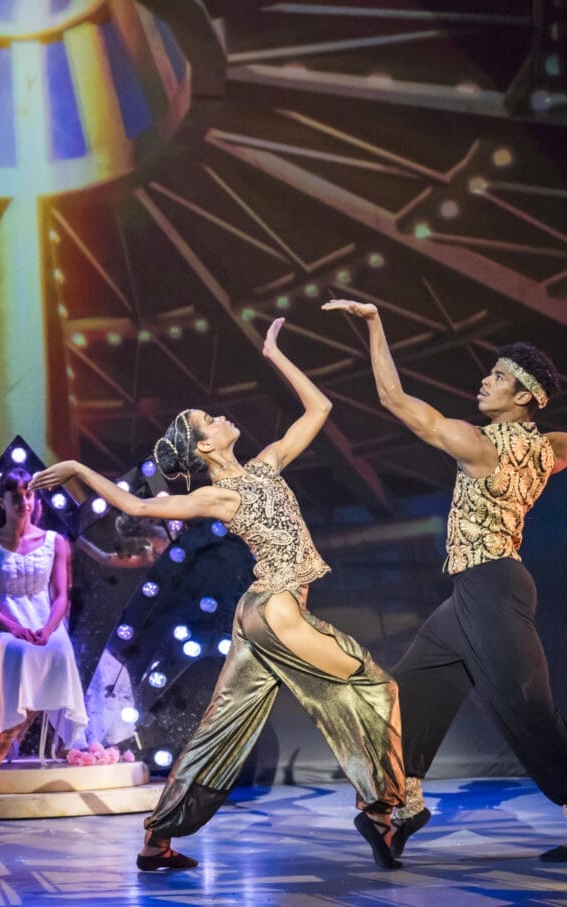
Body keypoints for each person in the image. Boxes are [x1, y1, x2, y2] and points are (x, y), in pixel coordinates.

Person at [325, 298, 567, 862]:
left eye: (497, 377)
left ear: (523, 397)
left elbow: (393, 399)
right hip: (476, 593)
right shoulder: (551, 449)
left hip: (492, 589)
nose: (484, 380)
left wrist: (376, 322)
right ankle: (401, 812)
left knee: (528, 708)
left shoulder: (477, 447)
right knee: (406, 694)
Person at [31, 318, 405, 872]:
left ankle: (156, 841)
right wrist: (83, 468)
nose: (221, 415)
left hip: (258, 617)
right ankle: (384, 811)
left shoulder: (266, 464)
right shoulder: (217, 496)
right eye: (209, 420)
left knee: (218, 730)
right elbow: (138, 508)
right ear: (205, 445)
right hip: (277, 608)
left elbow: (319, 409)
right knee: (378, 687)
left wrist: (275, 353)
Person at [0, 468, 89, 766]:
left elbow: (61, 595)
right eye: (16, 497)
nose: (24, 502)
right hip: (2, 624)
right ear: (2, 500)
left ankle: (16, 730)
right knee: (20, 653)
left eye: (29, 495)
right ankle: (8, 733)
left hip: (44, 621)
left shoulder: (54, 541)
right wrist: (14, 627)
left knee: (58, 652)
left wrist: (49, 628)